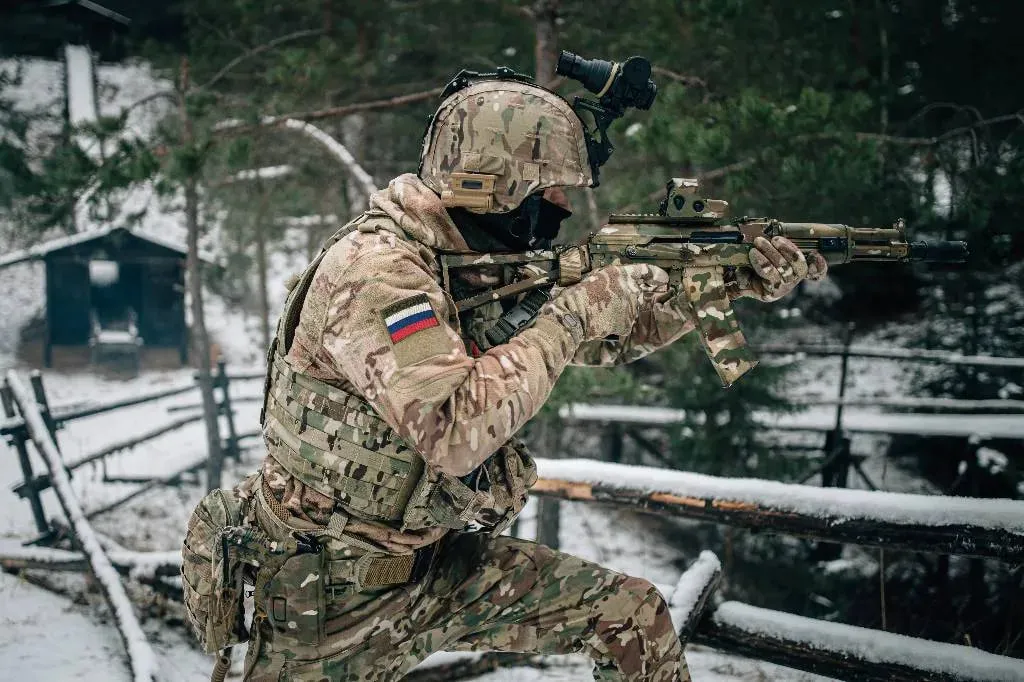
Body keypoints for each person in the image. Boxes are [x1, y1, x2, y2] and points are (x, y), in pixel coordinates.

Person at [183, 69, 826, 682]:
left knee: (629, 614)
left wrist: (729, 281)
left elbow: (609, 336)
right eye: (551, 191)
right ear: (494, 184)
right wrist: (573, 315)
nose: (565, 208)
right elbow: (455, 429)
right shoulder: (380, 273)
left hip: (431, 568)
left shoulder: (466, 261)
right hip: (325, 600)